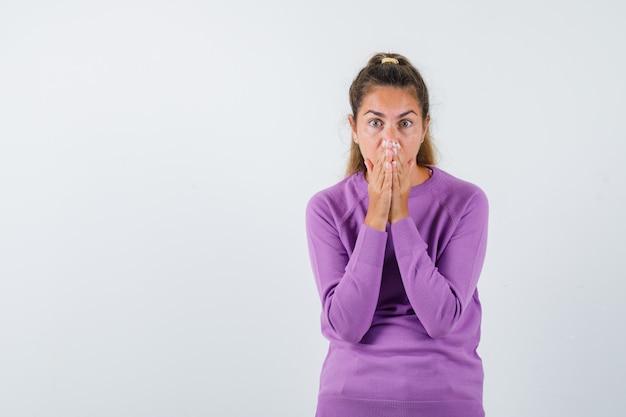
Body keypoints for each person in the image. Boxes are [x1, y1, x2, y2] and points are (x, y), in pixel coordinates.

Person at [305, 52, 489, 417]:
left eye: (404, 124)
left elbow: (441, 319)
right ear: (354, 129)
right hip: (351, 400)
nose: (390, 139)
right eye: (375, 123)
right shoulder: (327, 208)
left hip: (444, 399)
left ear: (423, 129)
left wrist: (401, 215)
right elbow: (346, 325)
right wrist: (375, 216)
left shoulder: (466, 201)